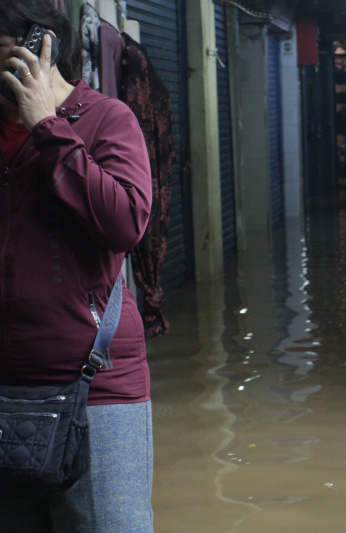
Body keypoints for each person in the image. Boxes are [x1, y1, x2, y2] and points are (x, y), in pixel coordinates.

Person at [0, 1, 154, 531]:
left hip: (95, 389)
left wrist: (47, 127)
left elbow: (125, 223)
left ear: (38, 44)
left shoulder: (107, 120)